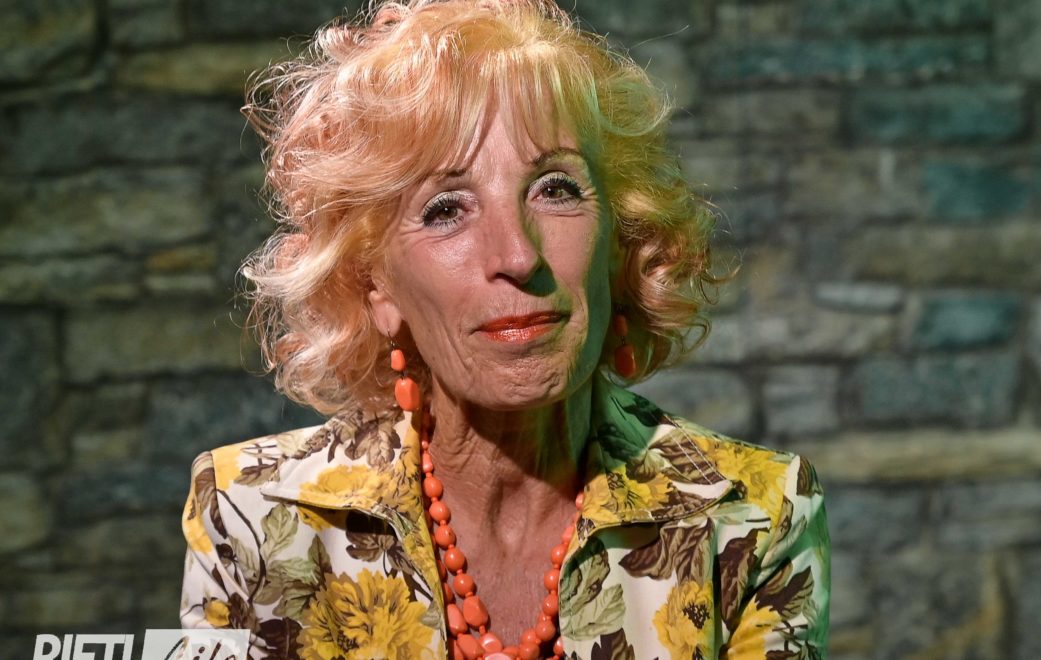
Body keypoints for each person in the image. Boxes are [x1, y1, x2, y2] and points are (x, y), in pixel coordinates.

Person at [179, 0, 829, 658]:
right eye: (445, 209)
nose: (518, 256)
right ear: (375, 284)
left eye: (555, 189)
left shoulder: (752, 516)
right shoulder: (253, 517)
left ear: (620, 240)